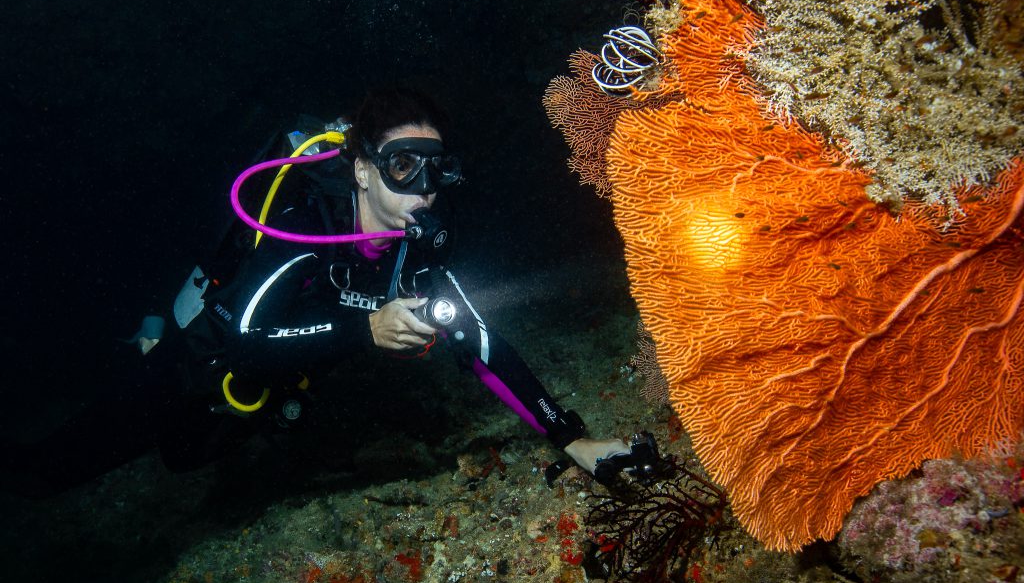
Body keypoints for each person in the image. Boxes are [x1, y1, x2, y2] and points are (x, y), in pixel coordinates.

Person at [2, 87, 631, 497]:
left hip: (260, 402)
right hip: (194, 369)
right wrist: (367, 328)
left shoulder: (417, 248)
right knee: (55, 469)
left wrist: (572, 439)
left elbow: (481, 342)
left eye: (438, 168)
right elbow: (244, 344)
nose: (425, 187)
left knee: (187, 458)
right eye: (404, 164)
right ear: (362, 169)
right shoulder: (308, 226)